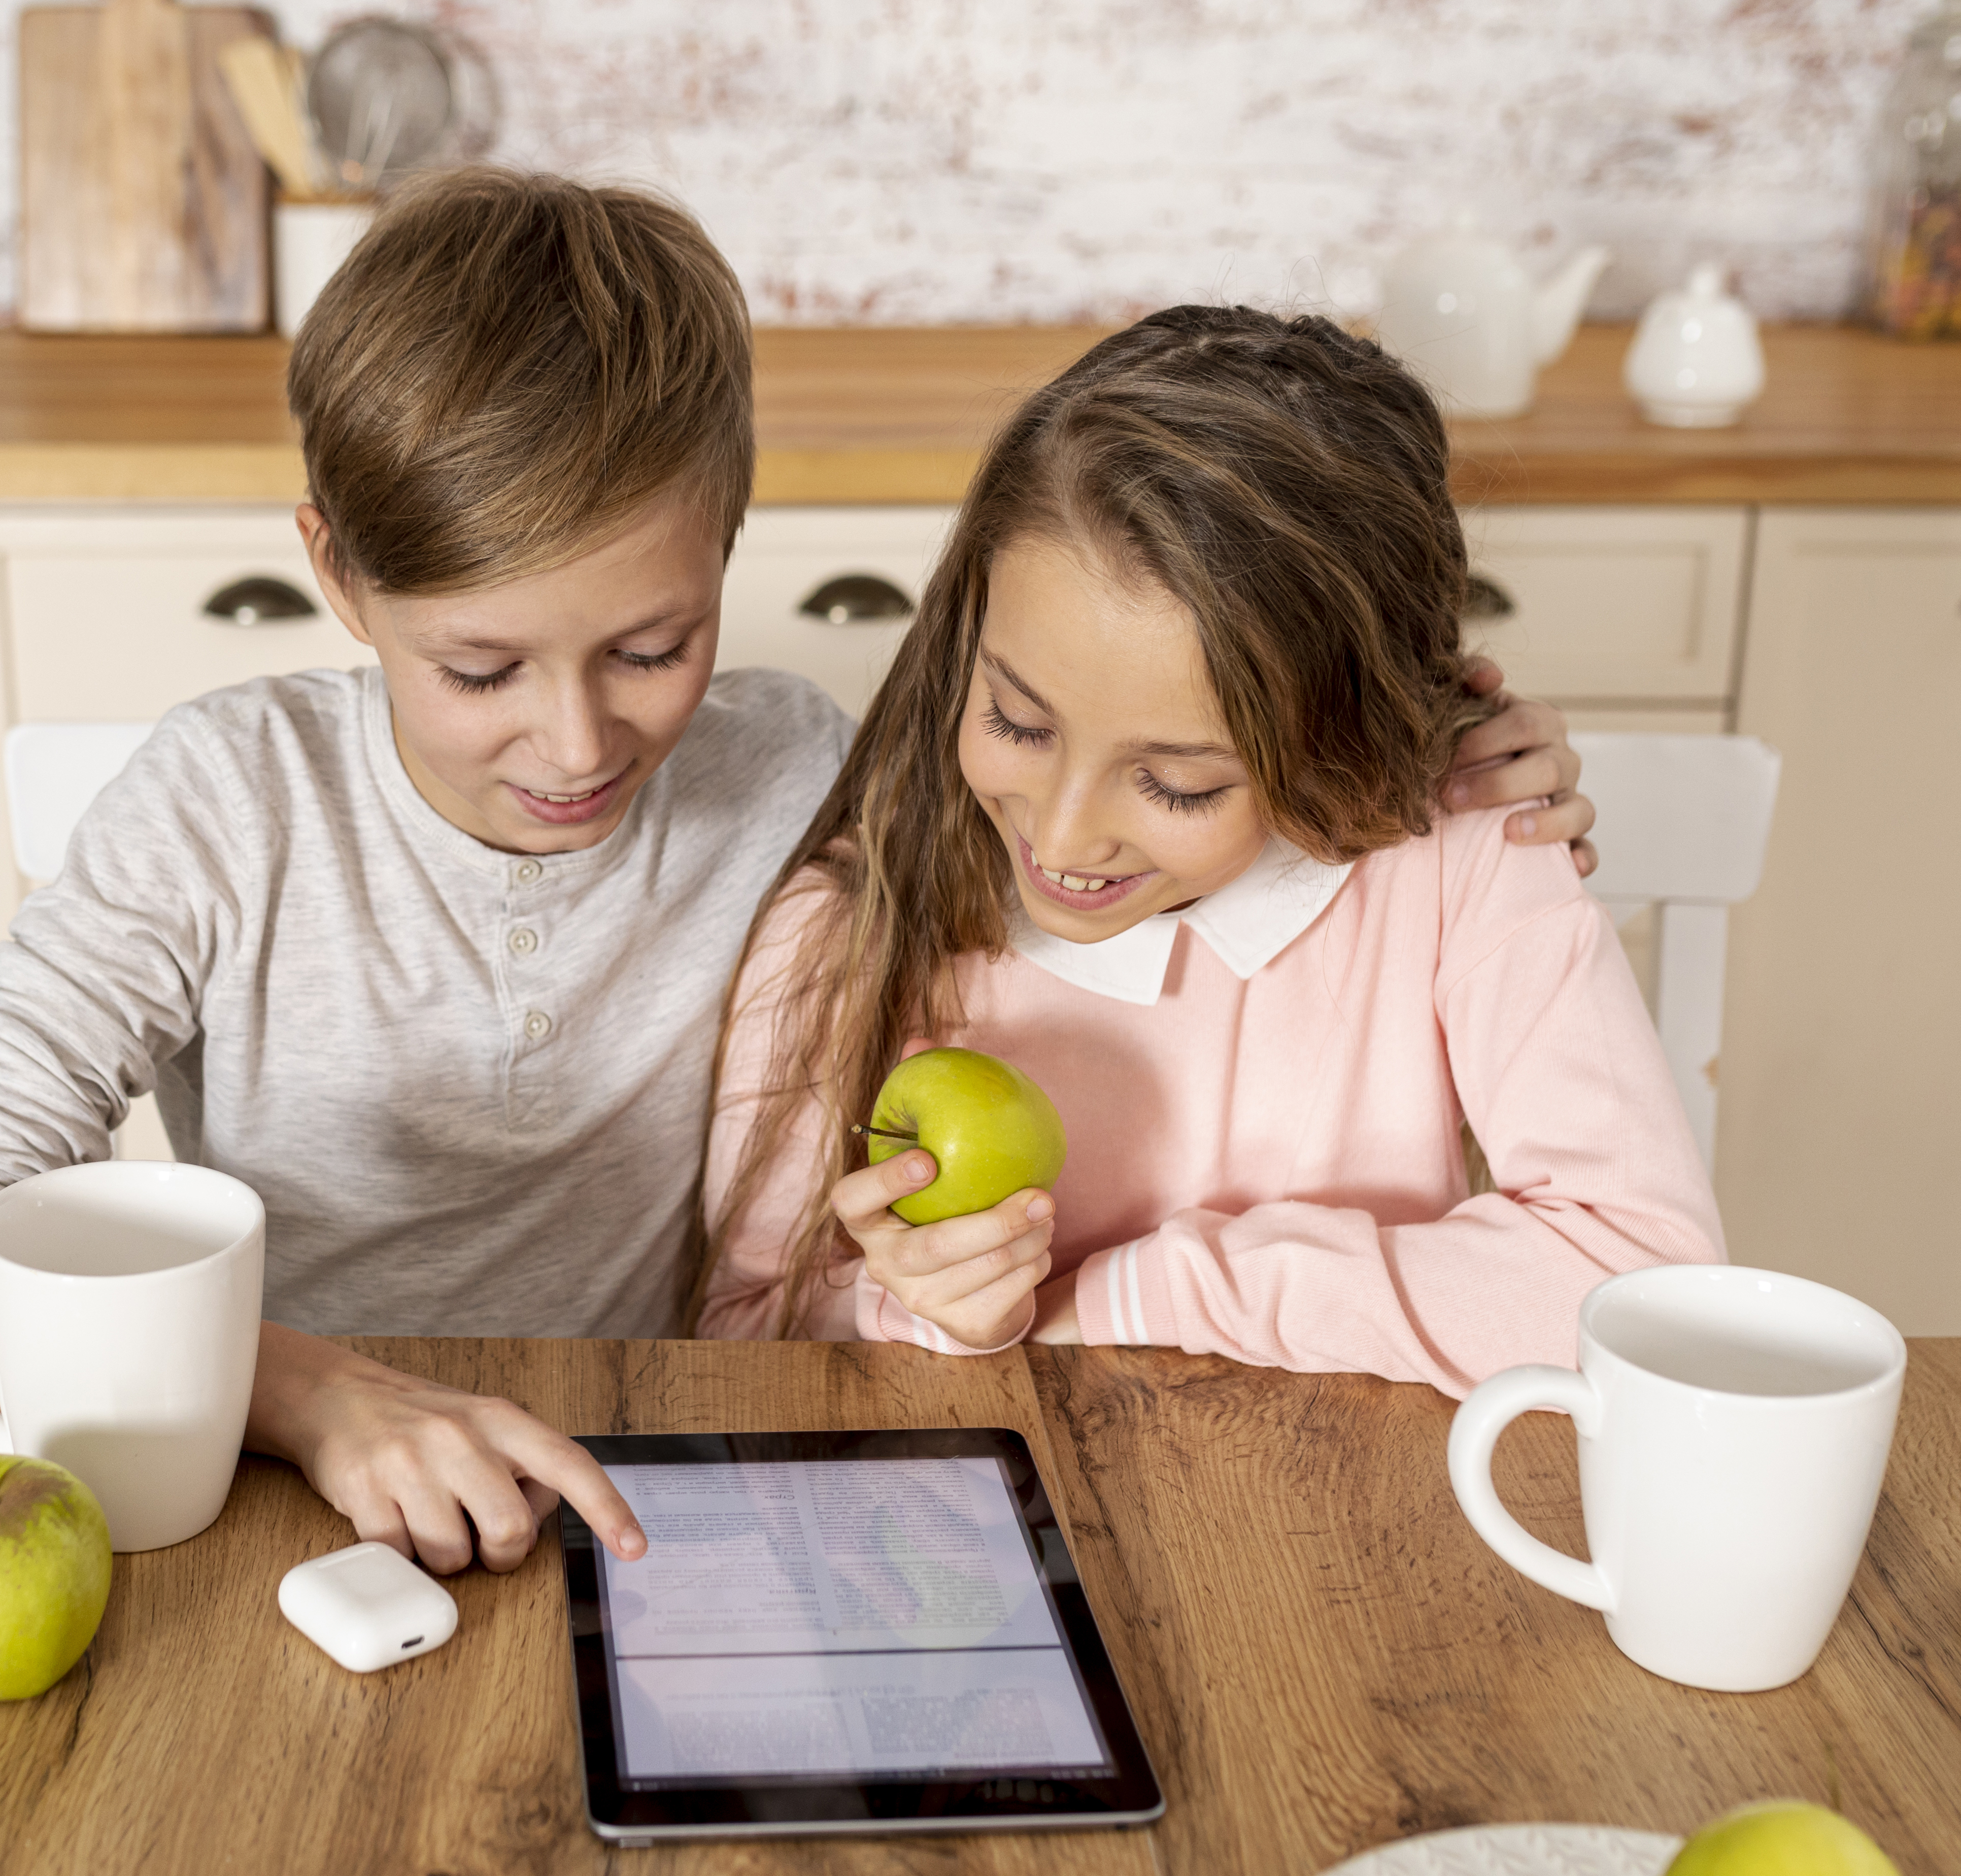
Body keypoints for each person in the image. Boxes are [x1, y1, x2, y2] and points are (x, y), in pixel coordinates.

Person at [0, 174, 1602, 1575]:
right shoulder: (226, 807)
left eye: (654, 644)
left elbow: (1140, 753)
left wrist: (1427, 759)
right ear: (340, 576)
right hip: (257, 1491)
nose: (577, 741)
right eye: (479, 670)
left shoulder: (795, 777)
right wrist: (305, 1391)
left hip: (645, 1481)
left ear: (730, 546)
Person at [698, 305, 1720, 1389]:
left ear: (1333, 739)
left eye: (1174, 782)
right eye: (1016, 722)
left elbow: (1640, 1284)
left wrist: (1142, 1295)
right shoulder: (847, 931)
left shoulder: (1467, 855)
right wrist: (923, 1308)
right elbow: (743, 1341)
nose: (1061, 829)